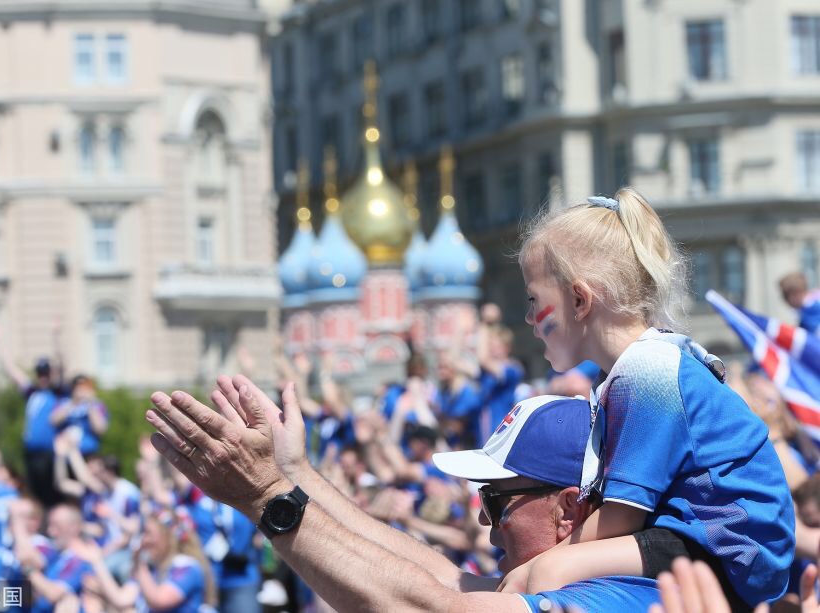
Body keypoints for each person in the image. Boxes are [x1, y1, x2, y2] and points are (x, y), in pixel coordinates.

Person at [146, 376, 664, 611]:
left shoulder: (609, 596)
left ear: (569, 506)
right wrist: (294, 473)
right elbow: (440, 579)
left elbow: (423, 607)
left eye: (495, 500)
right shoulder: (575, 574)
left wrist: (265, 497)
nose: (483, 522)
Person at [510, 188, 794, 609]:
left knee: (547, 571)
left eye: (535, 300)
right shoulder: (632, 367)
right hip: (691, 534)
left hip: (731, 549)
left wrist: (533, 566)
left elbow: (622, 517)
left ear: (579, 299)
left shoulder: (649, 371)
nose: (530, 318)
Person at [0, 320, 67, 508]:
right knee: (34, 492)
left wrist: (55, 336)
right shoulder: (32, 392)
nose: (43, 377)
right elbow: (12, 370)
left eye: (46, 373)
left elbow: (61, 362)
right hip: (31, 452)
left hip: (49, 452)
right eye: (40, 373)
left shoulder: (57, 392)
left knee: (51, 493)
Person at [74, 510, 212, 613]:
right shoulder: (153, 568)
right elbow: (122, 599)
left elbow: (158, 601)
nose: (144, 540)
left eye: (148, 533)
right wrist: (97, 562)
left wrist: (139, 564)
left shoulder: (186, 566)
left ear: (168, 538)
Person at [476, 304, 525, 445]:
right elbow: (454, 361)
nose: (491, 350)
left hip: (501, 434)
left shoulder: (512, 369)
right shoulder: (486, 373)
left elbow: (482, 359)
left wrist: (485, 324)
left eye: (495, 346)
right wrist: (460, 329)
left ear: (507, 347)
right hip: (484, 434)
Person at [51, 375, 109, 457]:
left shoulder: (97, 405)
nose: (80, 390)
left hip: (88, 454)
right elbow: (53, 421)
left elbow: (100, 429)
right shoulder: (64, 402)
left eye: (84, 387)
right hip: (65, 453)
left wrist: (90, 403)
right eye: (77, 387)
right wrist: (73, 403)